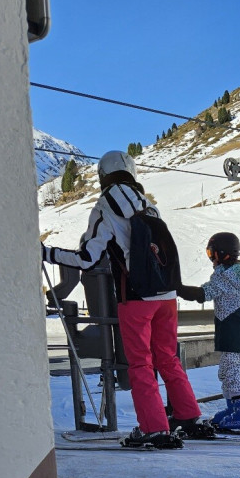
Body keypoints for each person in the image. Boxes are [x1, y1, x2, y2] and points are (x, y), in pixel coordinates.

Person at [42, 150, 212, 448]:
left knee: (140, 365)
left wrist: (47, 253)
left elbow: (87, 258)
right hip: (167, 296)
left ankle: (154, 428)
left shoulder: (105, 206)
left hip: (135, 298)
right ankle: (187, 415)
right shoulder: (149, 206)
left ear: (102, 176)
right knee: (168, 358)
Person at [178, 232, 240, 432]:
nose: (211, 258)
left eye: (211, 253)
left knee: (233, 370)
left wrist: (175, 287)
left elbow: (203, 293)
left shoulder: (226, 276)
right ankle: (233, 409)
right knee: (228, 368)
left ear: (222, 253)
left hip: (233, 329)